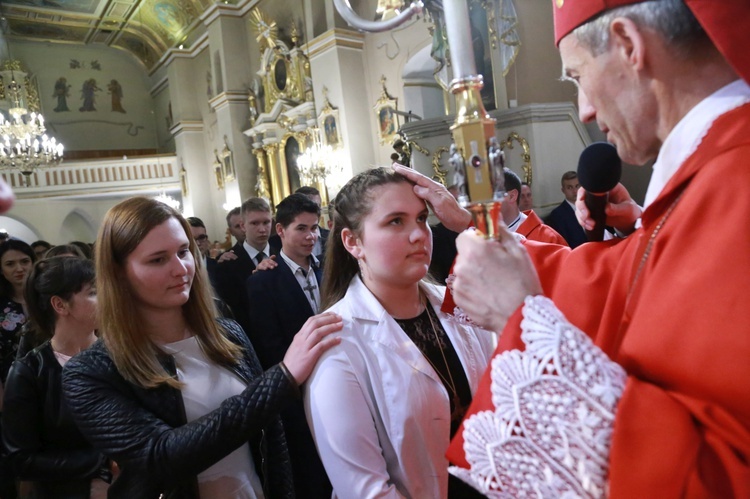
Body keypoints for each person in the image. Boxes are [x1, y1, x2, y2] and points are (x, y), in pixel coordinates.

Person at [396, 0, 750, 495]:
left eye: (578, 75)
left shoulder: (737, 180)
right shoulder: (715, 171)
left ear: (629, 44)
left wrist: (521, 314)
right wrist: (641, 232)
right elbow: (617, 283)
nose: (584, 108)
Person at [62, 197, 342, 498]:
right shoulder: (89, 371)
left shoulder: (227, 333)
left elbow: (273, 441)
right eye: (158, 259)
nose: (181, 269)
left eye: (183, 252)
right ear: (119, 272)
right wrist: (282, 378)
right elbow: (160, 457)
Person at [305, 167, 494, 498]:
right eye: (396, 221)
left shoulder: (458, 302)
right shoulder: (337, 342)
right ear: (353, 242)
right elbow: (365, 489)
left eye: (422, 218)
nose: (419, 234)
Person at [3, 256, 111, 498]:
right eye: (94, 292)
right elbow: (21, 458)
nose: (107, 299)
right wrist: (101, 463)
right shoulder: (30, 371)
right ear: (61, 305)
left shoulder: (119, 354)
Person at [246, 193, 330, 498]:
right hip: (298, 394)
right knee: (310, 473)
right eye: (302, 228)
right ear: (280, 231)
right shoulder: (263, 281)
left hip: (339, 381)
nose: (311, 236)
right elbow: (270, 348)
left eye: (315, 228)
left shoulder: (328, 270)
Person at [214, 197, 281, 336]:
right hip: (250, 337)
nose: (262, 229)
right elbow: (233, 314)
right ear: (243, 226)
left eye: (266, 222)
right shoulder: (227, 265)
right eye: (254, 223)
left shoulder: (283, 256)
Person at [0, 241, 36, 383]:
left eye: (25, 261)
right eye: (10, 264)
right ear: (1, 270)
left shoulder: (49, 299)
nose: (19, 268)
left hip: (52, 378)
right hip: (11, 380)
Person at [501, 168, 567, 245]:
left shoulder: (547, 238)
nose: (484, 202)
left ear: (512, 196)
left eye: (490, 196)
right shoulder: (485, 237)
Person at [544, 171, 587, 247]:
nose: (574, 191)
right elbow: (563, 244)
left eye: (577, 186)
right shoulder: (558, 214)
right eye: (569, 187)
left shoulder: (590, 207)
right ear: (563, 190)